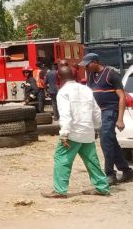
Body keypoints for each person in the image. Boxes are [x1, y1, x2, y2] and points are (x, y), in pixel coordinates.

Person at [42, 66, 110, 198]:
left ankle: (60, 190)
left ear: (59, 78)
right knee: (92, 161)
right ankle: (102, 187)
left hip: (72, 133)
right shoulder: (86, 89)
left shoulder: (63, 92)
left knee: (62, 159)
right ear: (74, 76)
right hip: (87, 132)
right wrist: (96, 127)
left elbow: (66, 115)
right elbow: (96, 111)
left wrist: (64, 134)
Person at [81, 53, 133, 185]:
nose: (85, 68)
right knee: (111, 142)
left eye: (87, 65)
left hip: (110, 112)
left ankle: (110, 174)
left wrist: (120, 119)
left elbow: (122, 96)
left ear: (95, 62)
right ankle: (127, 171)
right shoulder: (90, 76)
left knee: (106, 142)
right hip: (98, 113)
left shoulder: (111, 74)